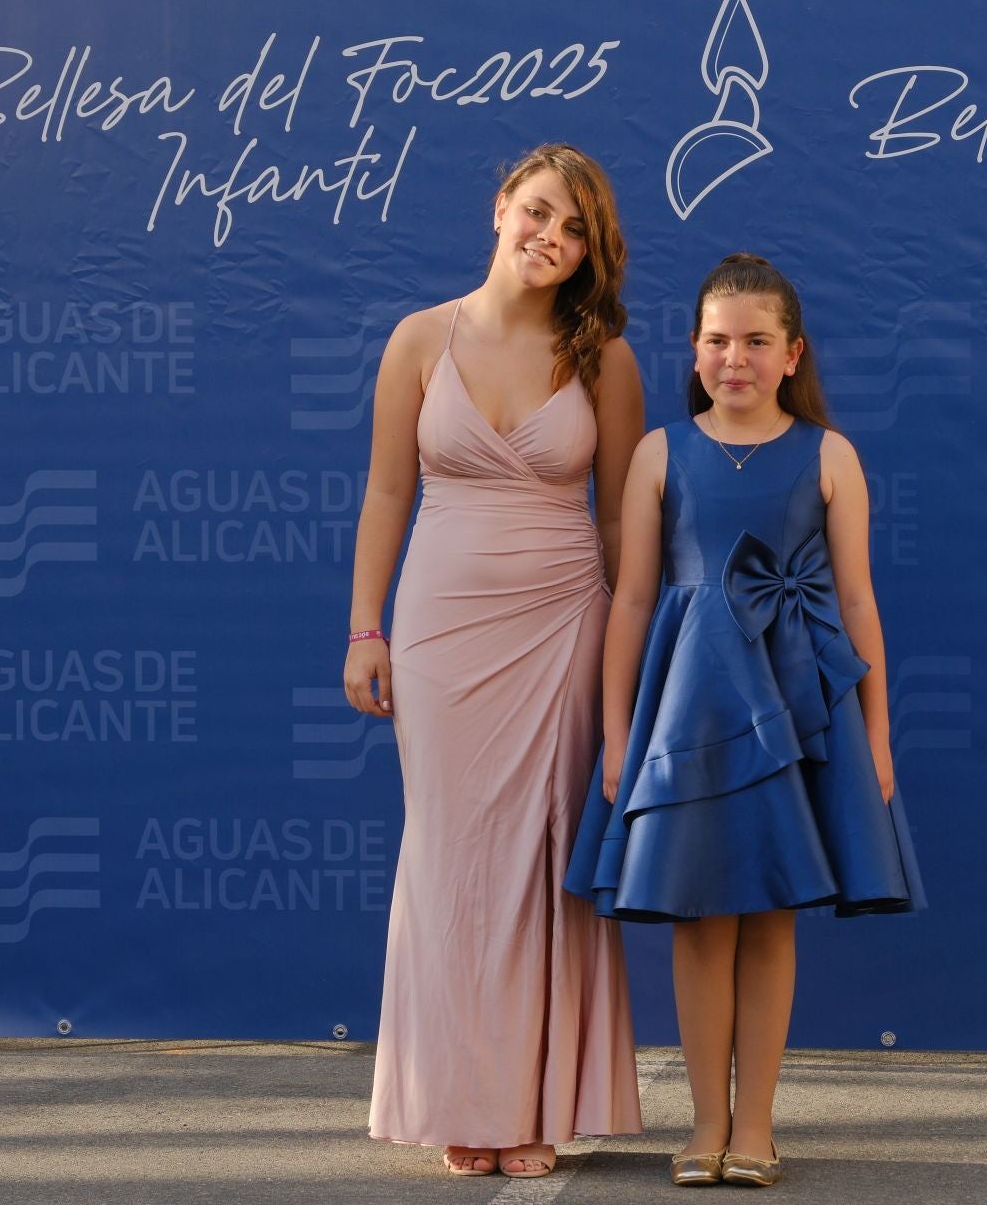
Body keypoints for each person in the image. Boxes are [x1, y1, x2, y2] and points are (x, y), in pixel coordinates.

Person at [564, 253, 925, 1188]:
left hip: (800, 706)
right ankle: (705, 1124)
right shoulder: (658, 452)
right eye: (719, 341)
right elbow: (633, 602)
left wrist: (877, 736)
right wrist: (616, 734)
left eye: (757, 341)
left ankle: (756, 1126)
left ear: (792, 353)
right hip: (689, 707)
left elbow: (859, 603)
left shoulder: (830, 455)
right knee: (698, 917)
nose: (736, 358)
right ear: (694, 349)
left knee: (770, 915)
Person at [345, 143, 646, 1179]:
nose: (549, 239)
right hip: (438, 627)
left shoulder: (605, 357)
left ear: (586, 256)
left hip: (566, 621)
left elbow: (621, 524)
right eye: (538, 213)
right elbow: (389, 492)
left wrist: (628, 657)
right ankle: (458, 1100)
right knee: (451, 857)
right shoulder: (419, 339)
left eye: (572, 232)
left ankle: (530, 1104)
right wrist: (364, 627)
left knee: (541, 864)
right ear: (499, 207)